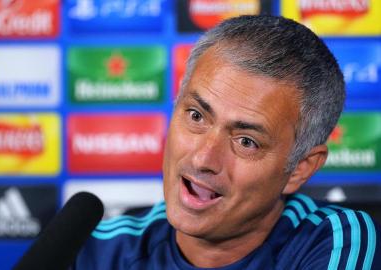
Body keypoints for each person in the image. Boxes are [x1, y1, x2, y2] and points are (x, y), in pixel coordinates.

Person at [73, 15, 381, 269]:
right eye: (196, 116)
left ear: (300, 168)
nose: (203, 159)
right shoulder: (94, 250)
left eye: (246, 141)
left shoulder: (334, 240)